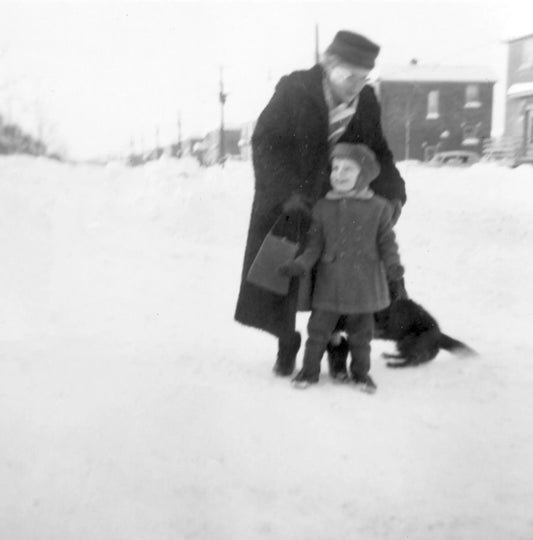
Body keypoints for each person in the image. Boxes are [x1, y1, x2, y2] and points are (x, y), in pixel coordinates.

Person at [234, 29, 407, 377]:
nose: (356, 85)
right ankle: (287, 342)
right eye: (348, 76)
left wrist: (392, 193)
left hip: (340, 203)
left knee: (338, 274)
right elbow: (266, 141)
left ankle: (336, 345)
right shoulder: (294, 89)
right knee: (285, 277)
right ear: (329, 64)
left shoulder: (367, 101)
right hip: (290, 203)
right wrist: (286, 192)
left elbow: (380, 153)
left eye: (364, 77)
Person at [278, 143, 404, 391]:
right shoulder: (323, 207)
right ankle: (309, 372)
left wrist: (393, 266)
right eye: (335, 168)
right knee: (317, 332)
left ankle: (360, 374)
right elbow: (314, 246)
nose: (339, 174)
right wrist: (300, 264)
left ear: (364, 175)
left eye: (348, 169)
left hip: (364, 285)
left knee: (361, 336)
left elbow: (387, 243)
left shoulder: (379, 208)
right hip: (330, 285)